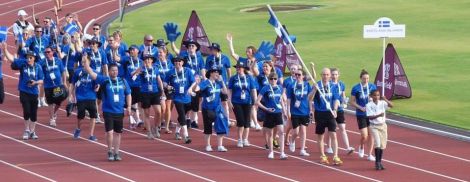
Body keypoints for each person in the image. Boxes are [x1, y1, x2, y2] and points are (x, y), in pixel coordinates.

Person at [83, 55, 132, 162]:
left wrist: (128, 106)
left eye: (116, 70)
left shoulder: (123, 81)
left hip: (119, 111)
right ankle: (110, 150)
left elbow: (128, 94)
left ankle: (117, 152)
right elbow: (90, 72)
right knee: (109, 132)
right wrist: (86, 62)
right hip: (108, 111)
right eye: (112, 70)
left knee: (118, 133)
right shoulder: (104, 80)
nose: (115, 72)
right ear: (109, 71)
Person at [2, 43, 44, 140]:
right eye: (27, 57)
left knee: (33, 114)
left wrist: (35, 82)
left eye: (30, 57)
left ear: (34, 58)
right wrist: (5, 50)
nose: (28, 59)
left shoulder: (38, 67)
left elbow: (42, 80)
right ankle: (26, 130)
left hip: (34, 92)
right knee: (27, 111)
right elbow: (12, 59)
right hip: (24, 91)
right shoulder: (23, 64)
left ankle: (33, 131)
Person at [190, 68, 229, 152]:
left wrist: (222, 82)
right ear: (211, 73)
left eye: (218, 73)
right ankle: (208, 145)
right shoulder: (205, 83)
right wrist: (196, 84)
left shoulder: (218, 83)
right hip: (207, 108)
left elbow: (225, 92)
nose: (218, 74)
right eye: (216, 72)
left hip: (218, 108)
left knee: (221, 125)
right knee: (208, 127)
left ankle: (220, 145)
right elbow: (196, 90)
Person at [310, 68, 342, 165]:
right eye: (324, 74)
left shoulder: (333, 86)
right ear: (321, 75)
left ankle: (335, 156)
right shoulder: (317, 85)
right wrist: (314, 90)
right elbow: (309, 98)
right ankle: (322, 155)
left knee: (333, 135)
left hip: (330, 113)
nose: (326, 76)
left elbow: (337, 99)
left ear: (330, 76)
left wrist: (335, 109)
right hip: (319, 113)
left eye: (327, 74)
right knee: (320, 136)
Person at [255, 72, 287, 159]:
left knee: (281, 132)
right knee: (270, 133)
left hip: (278, 113)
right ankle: (271, 151)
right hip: (269, 114)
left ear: (277, 80)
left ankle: (282, 153)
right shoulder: (265, 88)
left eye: (275, 79)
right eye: (271, 79)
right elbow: (257, 102)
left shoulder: (280, 88)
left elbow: (281, 101)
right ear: (269, 80)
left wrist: (284, 112)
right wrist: (266, 109)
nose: (273, 80)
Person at [133, 54, 165, 139]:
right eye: (145, 59)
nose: (147, 61)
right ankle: (149, 132)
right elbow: (132, 77)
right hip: (145, 93)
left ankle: (156, 128)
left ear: (152, 60)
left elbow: (159, 80)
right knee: (147, 113)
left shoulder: (155, 69)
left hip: (155, 92)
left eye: (149, 59)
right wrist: (137, 71)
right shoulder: (142, 70)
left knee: (158, 112)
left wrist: (162, 91)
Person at [165, 56, 194, 144]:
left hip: (187, 97)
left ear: (182, 62)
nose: (177, 63)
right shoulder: (170, 72)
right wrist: (167, 86)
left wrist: (190, 89)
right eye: (175, 61)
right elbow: (165, 82)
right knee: (182, 114)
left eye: (179, 61)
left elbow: (193, 81)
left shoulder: (188, 71)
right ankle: (186, 135)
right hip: (177, 97)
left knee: (182, 116)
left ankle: (177, 131)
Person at [227, 61, 257, 148]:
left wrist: (255, 101)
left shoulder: (249, 78)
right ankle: (239, 139)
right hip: (236, 102)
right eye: (237, 68)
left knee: (247, 122)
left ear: (243, 69)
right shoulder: (233, 78)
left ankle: (245, 139)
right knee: (240, 121)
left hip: (247, 102)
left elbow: (253, 89)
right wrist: (229, 100)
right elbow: (229, 90)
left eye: (239, 68)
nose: (238, 69)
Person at [325, 68, 355, 154]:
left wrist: (344, 101)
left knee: (342, 127)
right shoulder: (328, 85)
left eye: (336, 74)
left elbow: (343, 95)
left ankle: (348, 147)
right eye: (333, 74)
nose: (334, 76)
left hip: (340, 109)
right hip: (330, 109)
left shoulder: (341, 84)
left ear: (338, 75)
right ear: (330, 75)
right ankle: (329, 147)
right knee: (331, 128)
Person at [350, 69, 377, 161]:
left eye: (368, 78)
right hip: (361, 114)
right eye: (364, 78)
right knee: (364, 135)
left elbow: (377, 98)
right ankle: (361, 146)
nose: (366, 80)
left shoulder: (373, 87)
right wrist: (360, 107)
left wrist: (373, 101)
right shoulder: (356, 88)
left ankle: (369, 154)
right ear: (361, 78)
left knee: (371, 134)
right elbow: (352, 102)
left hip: (371, 114)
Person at [71, 55, 98, 141]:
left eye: (85, 61)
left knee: (93, 116)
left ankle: (91, 134)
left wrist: (98, 87)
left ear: (89, 62)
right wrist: (71, 95)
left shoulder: (94, 72)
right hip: (81, 97)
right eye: (82, 61)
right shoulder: (77, 72)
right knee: (80, 116)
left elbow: (98, 83)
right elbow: (72, 84)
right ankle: (78, 129)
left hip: (91, 97)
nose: (83, 63)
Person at [286, 69, 311, 156]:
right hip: (295, 111)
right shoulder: (291, 85)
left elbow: (310, 97)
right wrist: (288, 110)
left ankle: (302, 149)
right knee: (296, 132)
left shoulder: (307, 85)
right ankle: (292, 141)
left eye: (299, 74)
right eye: (296, 74)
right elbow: (288, 99)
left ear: (303, 76)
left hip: (305, 111)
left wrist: (311, 110)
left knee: (303, 131)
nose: (297, 76)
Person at [40, 46, 67, 127]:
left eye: (48, 52)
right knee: (50, 103)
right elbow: (38, 69)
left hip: (58, 85)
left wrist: (64, 82)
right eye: (45, 52)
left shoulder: (58, 61)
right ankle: (52, 119)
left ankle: (54, 112)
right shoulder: (42, 62)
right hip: (48, 86)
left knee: (59, 101)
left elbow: (63, 71)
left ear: (52, 52)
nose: (47, 54)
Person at [366, 90, 393, 170]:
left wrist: (385, 99)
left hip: (383, 126)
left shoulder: (382, 103)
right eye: (374, 95)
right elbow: (370, 117)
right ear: (371, 96)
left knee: (382, 145)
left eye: (378, 95)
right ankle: (377, 163)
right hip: (374, 126)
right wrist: (379, 115)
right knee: (377, 143)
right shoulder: (369, 105)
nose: (376, 97)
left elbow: (391, 106)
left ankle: (380, 162)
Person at [206, 43, 231, 123]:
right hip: (213, 84)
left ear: (217, 50)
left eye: (212, 49)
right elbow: (207, 70)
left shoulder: (225, 58)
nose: (211, 51)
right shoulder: (209, 58)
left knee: (225, 102)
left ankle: (227, 119)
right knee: (213, 102)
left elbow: (228, 70)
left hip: (222, 83)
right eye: (210, 49)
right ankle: (213, 120)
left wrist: (229, 81)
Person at [122, 45, 144, 128]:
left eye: (133, 50)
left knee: (137, 103)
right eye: (130, 50)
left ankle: (136, 119)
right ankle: (133, 120)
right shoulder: (126, 60)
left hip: (138, 85)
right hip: (128, 85)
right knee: (130, 103)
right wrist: (114, 50)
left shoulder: (141, 62)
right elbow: (117, 59)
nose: (131, 51)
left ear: (137, 51)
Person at [154, 46, 174, 133]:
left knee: (168, 107)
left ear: (165, 53)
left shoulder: (170, 63)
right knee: (163, 108)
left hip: (168, 88)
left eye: (161, 52)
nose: (159, 54)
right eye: (158, 52)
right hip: (159, 88)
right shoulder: (156, 64)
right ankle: (158, 125)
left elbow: (173, 75)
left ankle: (166, 127)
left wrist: (170, 85)